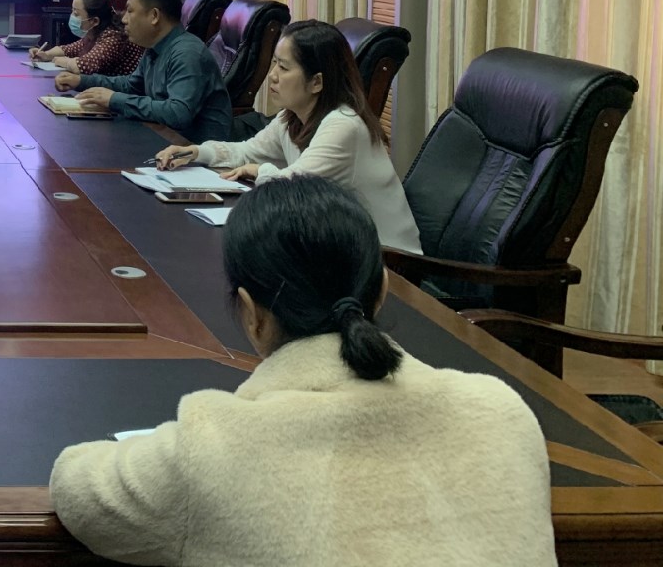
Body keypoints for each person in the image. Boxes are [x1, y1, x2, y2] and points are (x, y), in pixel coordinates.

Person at [49, 175, 555, 567]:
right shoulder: (501, 412)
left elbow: (76, 485)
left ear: (252, 314)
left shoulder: (214, 448)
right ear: (381, 290)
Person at [152, 19, 422, 252]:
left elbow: (294, 188)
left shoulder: (344, 125)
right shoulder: (291, 116)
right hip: (337, 246)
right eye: (274, 64)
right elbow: (247, 151)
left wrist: (259, 170)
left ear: (316, 82)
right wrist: (196, 152)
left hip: (386, 261)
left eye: (283, 67)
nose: (272, 76)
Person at [55, 0, 231, 142]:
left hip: (197, 150)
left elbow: (178, 113)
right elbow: (131, 85)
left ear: (154, 16)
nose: (124, 19)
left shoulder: (187, 53)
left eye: (130, 11)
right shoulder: (155, 47)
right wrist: (81, 81)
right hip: (163, 137)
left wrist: (114, 100)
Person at [29, 0, 141, 77]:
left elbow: (85, 65)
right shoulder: (95, 33)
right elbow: (70, 49)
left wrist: (62, 61)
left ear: (94, 21)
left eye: (76, 14)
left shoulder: (114, 36)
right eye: (72, 11)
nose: (72, 16)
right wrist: (46, 55)